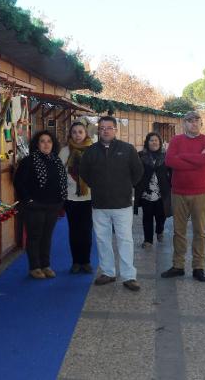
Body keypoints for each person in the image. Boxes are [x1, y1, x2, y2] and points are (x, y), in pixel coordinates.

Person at [80, 116, 144, 291]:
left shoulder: (127, 149)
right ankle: (108, 272)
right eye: (102, 128)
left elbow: (138, 172)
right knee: (102, 239)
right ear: (98, 130)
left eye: (109, 128)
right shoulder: (91, 151)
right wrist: (98, 186)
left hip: (122, 204)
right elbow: (84, 172)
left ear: (116, 130)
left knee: (125, 240)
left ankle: (129, 276)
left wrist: (124, 186)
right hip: (99, 204)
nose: (105, 131)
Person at [161, 111, 205, 283]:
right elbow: (169, 161)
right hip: (179, 192)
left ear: (201, 124)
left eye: (196, 121)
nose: (193, 124)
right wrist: (195, 160)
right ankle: (178, 266)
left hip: (200, 192)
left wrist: (182, 157)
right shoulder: (176, 140)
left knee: (200, 231)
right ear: (184, 124)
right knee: (179, 231)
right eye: (189, 121)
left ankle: (198, 267)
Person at [14, 130, 67, 279]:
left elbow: (61, 182)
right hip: (34, 206)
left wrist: (60, 201)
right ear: (37, 144)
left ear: (53, 144)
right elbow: (18, 183)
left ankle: (46, 265)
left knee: (47, 236)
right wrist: (28, 200)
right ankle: (35, 267)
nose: (46, 144)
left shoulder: (56, 160)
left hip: (53, 205)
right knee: (34, 237)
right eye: (42, 141)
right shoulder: (28, 161)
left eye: (49, 141)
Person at [59, 122, 94, 274]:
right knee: (74, 230)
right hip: (71, 198)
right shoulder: (65, 151)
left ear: (86, 133)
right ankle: (76, 262)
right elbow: (60, 174)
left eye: (80, 132)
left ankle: (85, 262)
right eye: (74, 132)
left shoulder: (93, 151)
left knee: (86, 230)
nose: (77, 135)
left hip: (88, 198)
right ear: (70, 134)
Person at [134, 132, 172, 249]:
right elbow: (135, 171)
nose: (154, 142)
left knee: (161, 216)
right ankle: (148, 240)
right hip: (147, 193)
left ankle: (159, 230)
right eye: (151, 140)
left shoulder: (166, 156)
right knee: (147, 217)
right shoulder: (140, 155)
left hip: (162, 193)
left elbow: (172, 172)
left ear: (160, 143)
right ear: (147, 142)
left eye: (156, 140)